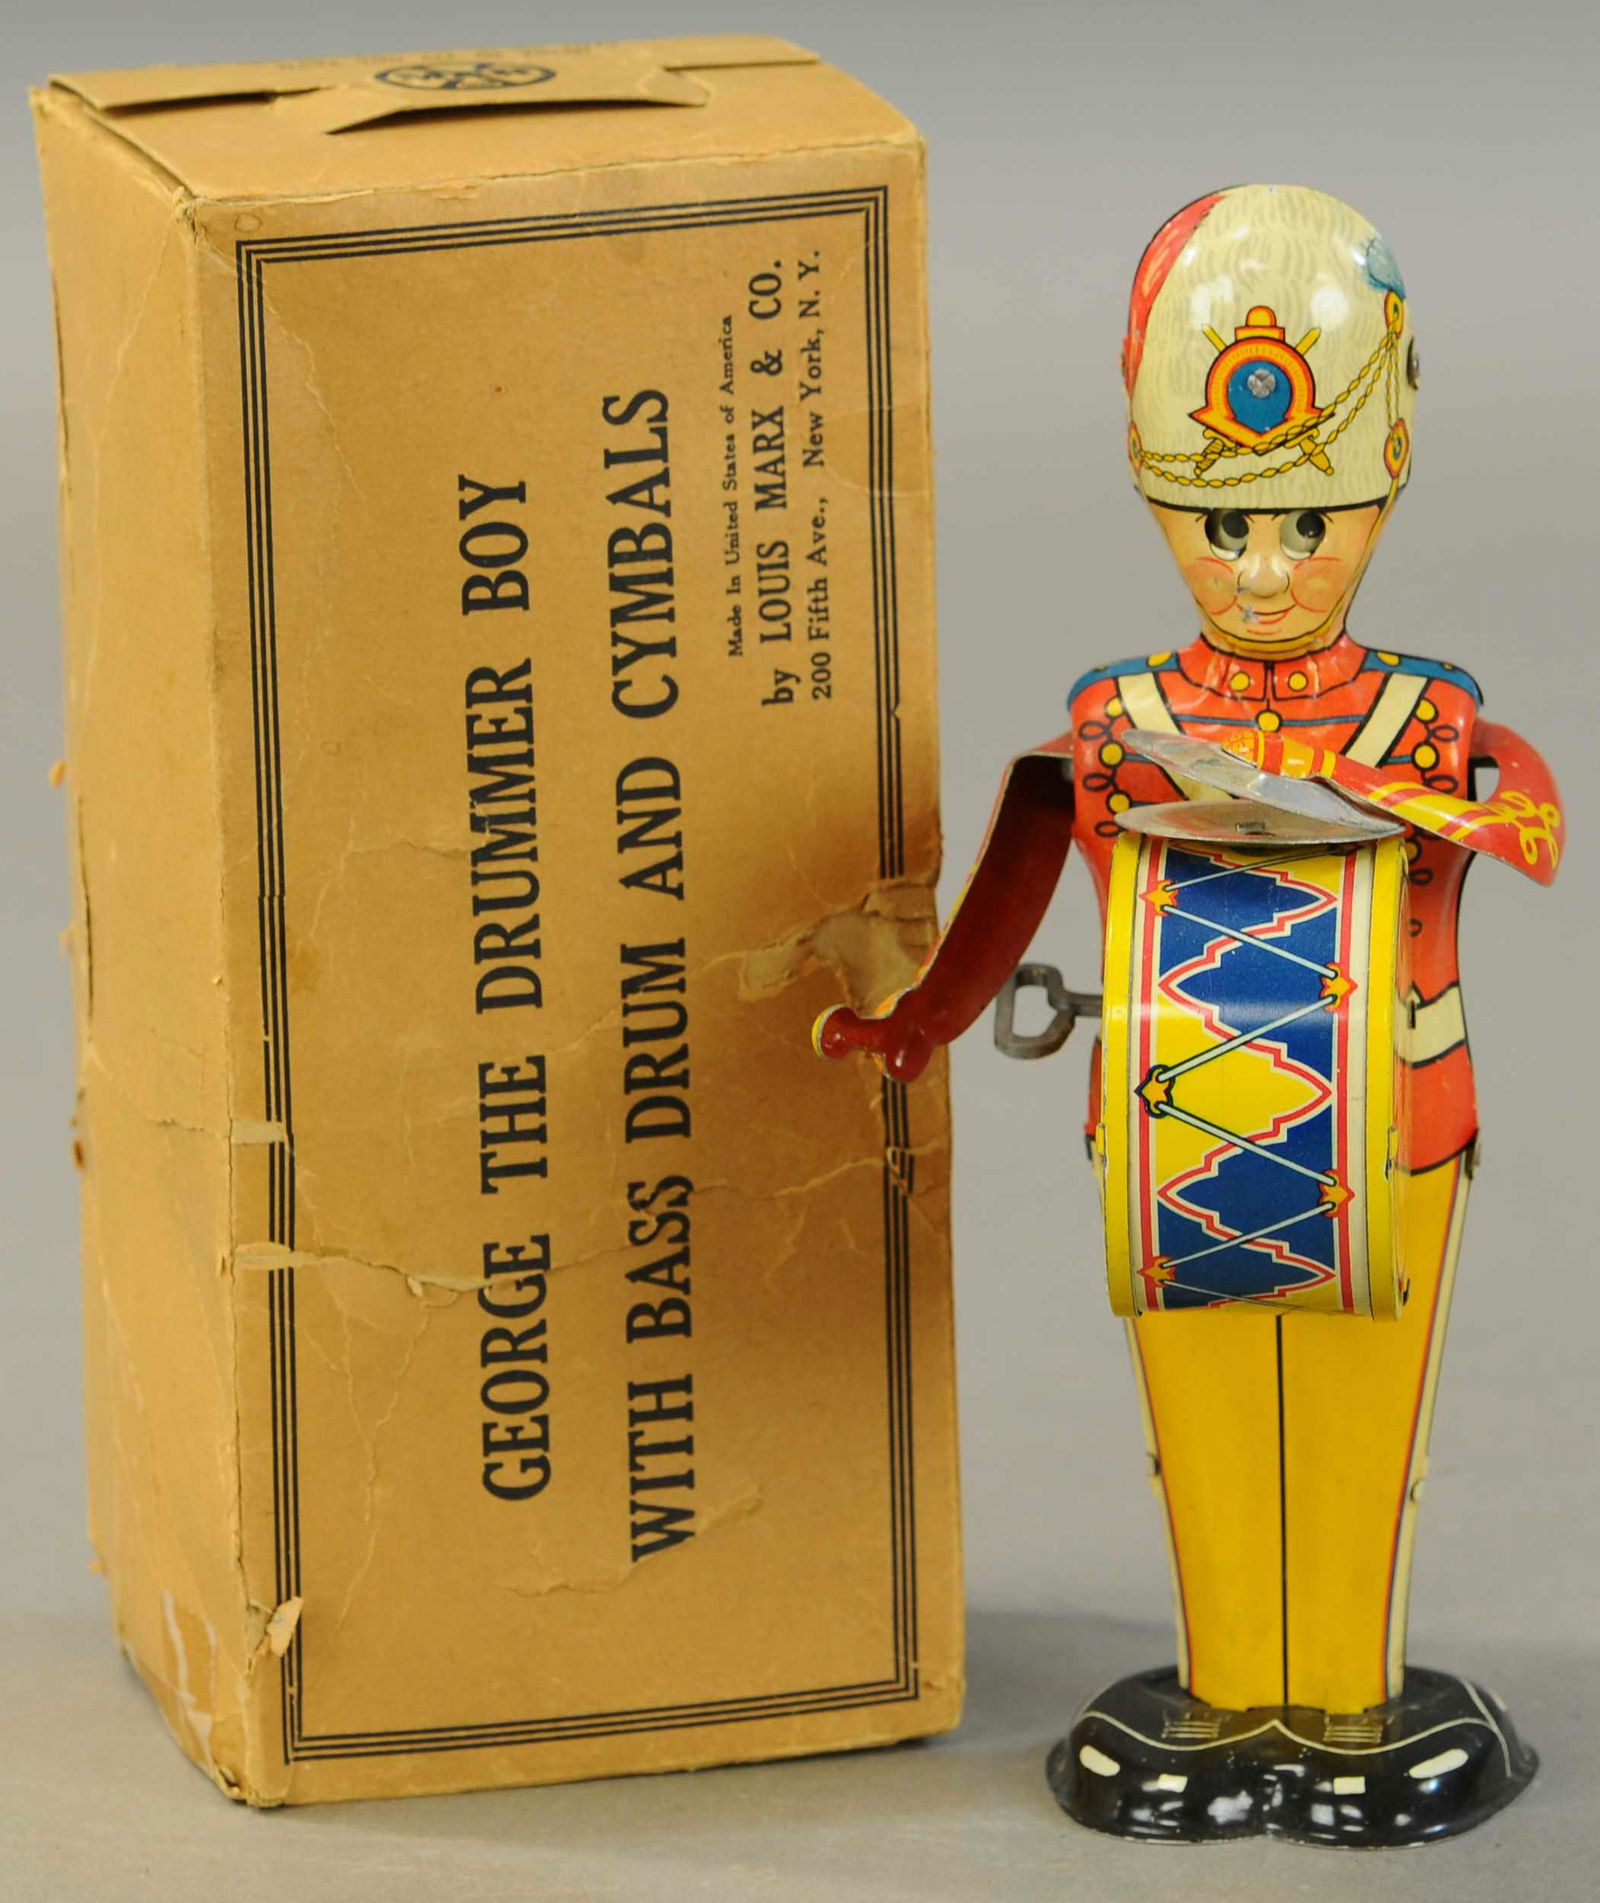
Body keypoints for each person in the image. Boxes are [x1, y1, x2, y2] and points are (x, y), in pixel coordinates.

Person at [816, 185, 1563, 1845]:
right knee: (1208, 1429)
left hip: (1397, 1118)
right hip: (1169, 1124)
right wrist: (922, 1019)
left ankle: (1352, 1696)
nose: (1269, 572)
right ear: (1158, 499)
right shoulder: (1120, 719)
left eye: (1312, 524)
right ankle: (1230, 1692)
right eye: (1224, 529)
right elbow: (1022, 859)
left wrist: (1431, 813)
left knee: (1361, 1428)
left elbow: (1534, 823)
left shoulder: (1428, 718)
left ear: (1387, 478)